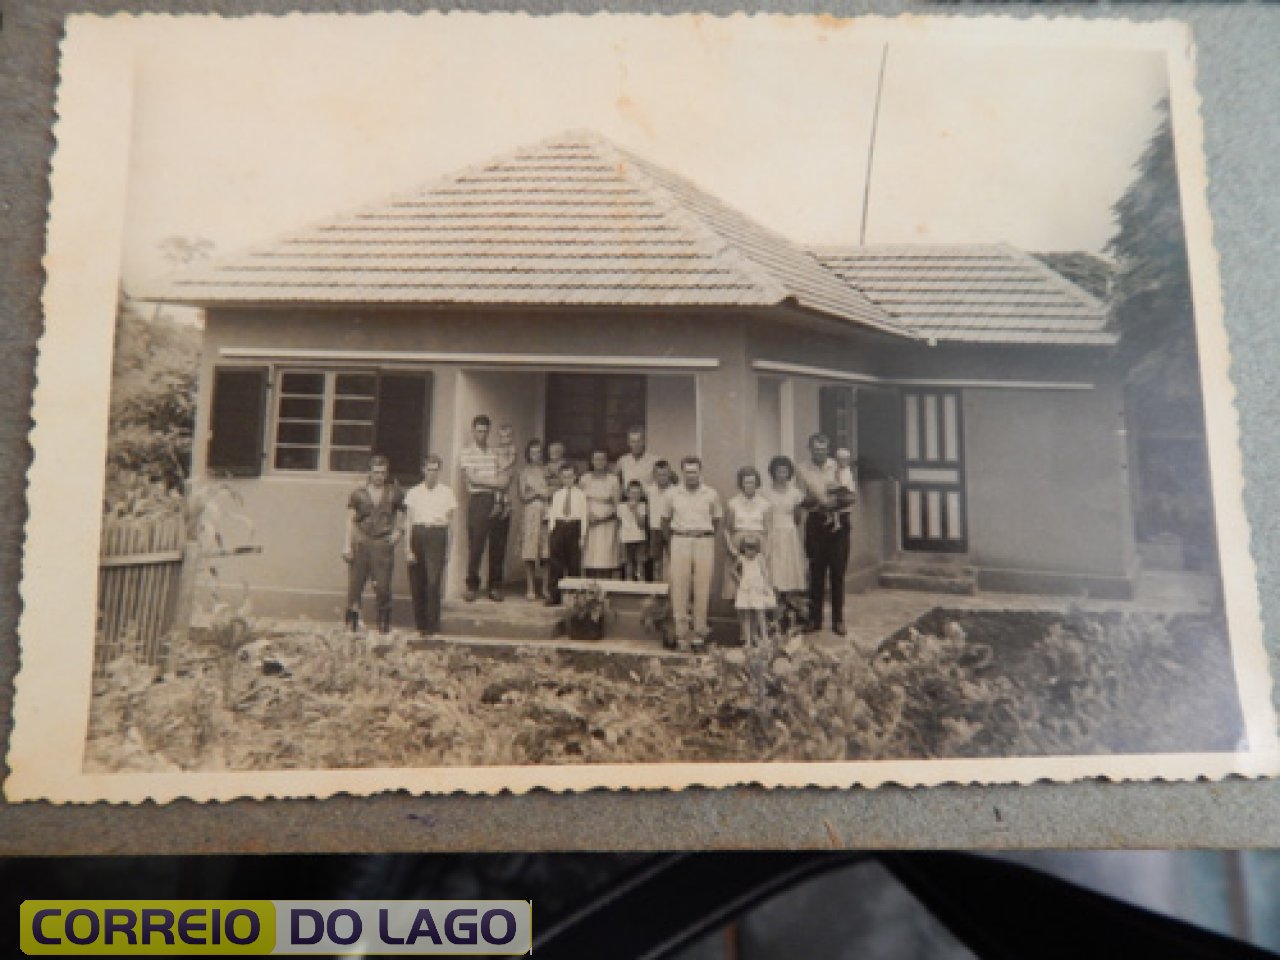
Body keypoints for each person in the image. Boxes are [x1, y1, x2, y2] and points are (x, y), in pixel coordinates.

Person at [661, 456, 724, 651]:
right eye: (687, 472)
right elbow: (664, 521)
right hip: (680, 539)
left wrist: (702, 533)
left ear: (700, 472)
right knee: (679, 587)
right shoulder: (672, 494)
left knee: (702, 587)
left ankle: (699, 634)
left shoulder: (711, 494)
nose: (691, 476)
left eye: (694, 472)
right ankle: (681, 636)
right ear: (682, 473)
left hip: (704, 540)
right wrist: (674, 540)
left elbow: (716, 520)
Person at [341, 453, 406, 634]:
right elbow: (349, 519)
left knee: (383, 587)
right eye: (376, 472)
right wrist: (347, 544)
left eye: (383, 473)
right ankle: (351, 625)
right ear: (369, 472)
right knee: (355, 586)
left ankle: (383, 625)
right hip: (361, 542)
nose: (379, 476)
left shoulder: (394, 492)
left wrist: (398, 533)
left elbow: (406, 514)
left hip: (382, 544)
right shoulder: (358, 494)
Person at [796, 433, 851, 636]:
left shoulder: (839, 467)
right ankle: (814, 619)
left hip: (839, 524)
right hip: (816, 522)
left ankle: (838, 620)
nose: (820, 452)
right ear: (810, 449)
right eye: (816, 449)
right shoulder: (801, 469)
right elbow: (800, 499)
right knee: (816, 572)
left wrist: (834, 503)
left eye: (824, 449)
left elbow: (850, 496)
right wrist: (817, 502)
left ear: (828, 449)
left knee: (837, 572)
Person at [403, 454, 456, 643]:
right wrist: (408, 548)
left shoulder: (447, 493)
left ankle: (433, 627)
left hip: (437, 535)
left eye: (435, 470)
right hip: (418, 534)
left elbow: (450, 525)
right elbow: (408, 522)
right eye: (429, 469)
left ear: (439, 471)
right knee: (418, 582)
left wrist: (449, 549)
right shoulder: (413, 493)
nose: (432, 473)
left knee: (433, 582)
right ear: (423, 470)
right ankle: (421, 626)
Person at [459, 414, 511, 602]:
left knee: (497, 546)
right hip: (478, 500)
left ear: (489, 432)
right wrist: (495, 482)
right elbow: (472, 479)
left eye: (485, 431)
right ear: (473, 431)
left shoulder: (495, 453)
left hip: (497, 499)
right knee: (476, 545)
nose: (481, 434)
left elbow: (505, 480)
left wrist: (498, 498)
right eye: (478, 431)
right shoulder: (467, 453)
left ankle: (495, 586)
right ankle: (472, 585)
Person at [722, 466, 773, 603]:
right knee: (739, 583)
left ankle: (756, 623)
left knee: (756, 582)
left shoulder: (765, 504)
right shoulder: (732, 503)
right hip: (738, 547)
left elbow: (769, 530)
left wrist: (766, 552)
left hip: (758, 547)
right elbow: (726, 529)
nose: (749, 485)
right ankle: (742, 623)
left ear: (757, 483)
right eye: (746, 482)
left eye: (752, 482)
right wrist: (731, 549)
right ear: (741, 484)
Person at [763, 455, 807, 599]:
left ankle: (788, 606)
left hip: (789, 532)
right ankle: (774, 604)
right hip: (772, 532)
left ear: (789, 473)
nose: (782, 475)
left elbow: (798, 517)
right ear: (773, 472)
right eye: (778, 471)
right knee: (774, 568)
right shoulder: (765, 493)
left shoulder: (795, 493)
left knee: (789, 567)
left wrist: (789, 526)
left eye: (785, 471)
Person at [545, 461, 588, 606]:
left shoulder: (581, 495)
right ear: (561, 478)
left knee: (573, 564)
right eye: (564, 477)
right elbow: (552, 513)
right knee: (555, 564)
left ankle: (573, 597)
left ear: (575, 477)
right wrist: (552, 530)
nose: (567, 479)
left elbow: (584, 516)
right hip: (559, 527)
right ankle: (554, 596)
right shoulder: (557, 494)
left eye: (570, 477)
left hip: (574, 527)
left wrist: (582, 536)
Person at [517, 438, 551, 601]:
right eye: (532, 452)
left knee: (546, 551)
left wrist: (545, 494)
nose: (535, 455)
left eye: (538, 452)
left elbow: (552, 490)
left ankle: (545, 587)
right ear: (528, 454)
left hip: (546, 512)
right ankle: (530, 587)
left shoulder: (547, 471)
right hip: (531, 512)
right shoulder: (524, 472)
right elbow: (523, 495)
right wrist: (537, 494)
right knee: (529, 551)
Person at [579, 449, 622, 578]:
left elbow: (617, 505)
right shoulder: (584, 478)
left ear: (606, 461)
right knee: (589, 557)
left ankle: (605, 590)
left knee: (605, 556)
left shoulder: (613, 480)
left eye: (602, 459)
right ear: (592, 461)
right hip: (589, 522)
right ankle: (589, 590)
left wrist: (603, 518)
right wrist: (587, 515)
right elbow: (579, 500)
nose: (599, 462)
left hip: (607, 523)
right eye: (596, 459)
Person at [733, 533, 776, 648]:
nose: (750, 551)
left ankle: (765, 638)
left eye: (753, 548)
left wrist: (766, 586)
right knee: (746, 615)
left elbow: (765, 572)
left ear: (757, 548)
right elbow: (733, 570)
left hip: (757, 587)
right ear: (743, 548)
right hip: (746, 588)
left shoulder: (759, 558)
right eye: (748, 548)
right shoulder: (741, 558)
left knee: (760, 614)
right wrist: (740, 580)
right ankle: (748, 641)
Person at [644, 460, 676, 582]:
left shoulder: (676, 491)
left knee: (672, 560)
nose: (662, 477)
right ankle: (658, 589)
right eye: (659, 474)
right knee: (656, 561)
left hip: (671, 529)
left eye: (665, 474)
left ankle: (671, 588)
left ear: (670, 474)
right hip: (654, 529)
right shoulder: (649, 490)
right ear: (654, 475)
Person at [618, 480, 649, 581]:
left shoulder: (643, 506)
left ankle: (641, 584)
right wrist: (620, 539)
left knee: (640, 563)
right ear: (627, 494)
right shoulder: (621, 507)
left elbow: (642, 525)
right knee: (628, 564)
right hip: (626, 539)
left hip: (640, 539)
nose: (635, 496)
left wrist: (635, 510)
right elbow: (619, 524)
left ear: (641, 494)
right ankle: (629, 584)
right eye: (632, 493)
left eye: (637, 493)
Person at [615, 425, 658, 490]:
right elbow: (613, 479)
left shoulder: (655, 460)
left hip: (647, 498)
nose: (636, 444)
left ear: (644, 442)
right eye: (633, 441)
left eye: (639, 441)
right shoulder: (623, 460)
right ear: (628, 443)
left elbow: (671, 478)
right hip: (628, 498)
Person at [490, 423, 518, 521]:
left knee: (503, 488)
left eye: (506, 437)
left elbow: (512, 459)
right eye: (501, 437)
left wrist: (504, 467)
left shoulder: (511, 447)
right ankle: (500, 504)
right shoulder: (497, 448)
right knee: (498, 488)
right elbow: (493, 458)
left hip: (506, 471)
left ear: (510, 437)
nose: (504, 439)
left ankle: (504, 505)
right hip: (499, 472)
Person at [829, 446, 858, 532]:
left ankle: (837, 522)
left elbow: (843, 485)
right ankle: (833, 520)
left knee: (834, 503)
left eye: (844, 460)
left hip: (846, 492)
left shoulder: (846, 471)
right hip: (842, 493)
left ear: (848, 460)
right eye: (839, 460)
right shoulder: (838, 470)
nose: (842, 462)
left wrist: (833, 489)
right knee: (832, 503)